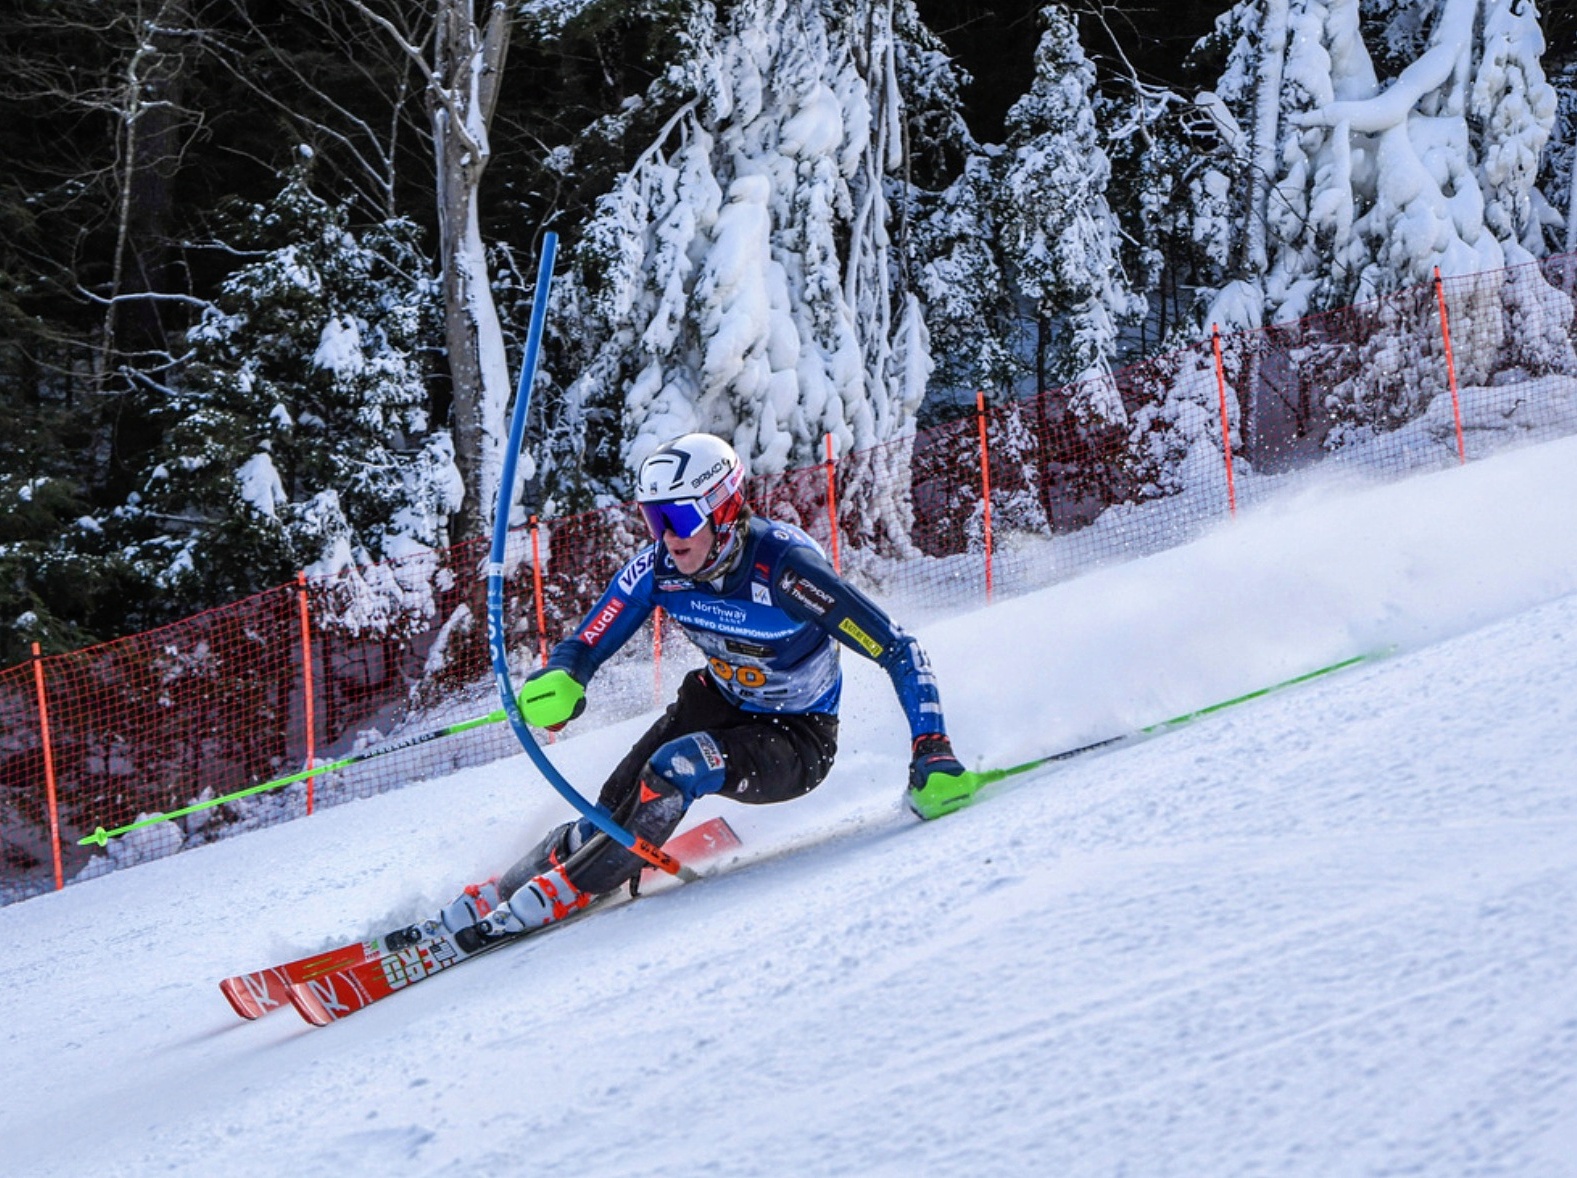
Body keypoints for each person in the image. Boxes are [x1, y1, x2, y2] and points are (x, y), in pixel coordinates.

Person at [439, 433, 968, 945]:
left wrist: (933, 747)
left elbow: (898, 648)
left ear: (723, 509)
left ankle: (569, 887)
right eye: (654, 518)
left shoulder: (786, 571)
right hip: (714, 702)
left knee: (678, 766)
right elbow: (587, 642)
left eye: (679, 517)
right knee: (608, 810)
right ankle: (508, 889)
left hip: (796, 735)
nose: (667, 536)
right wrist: (563, 677)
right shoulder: (661, 569)